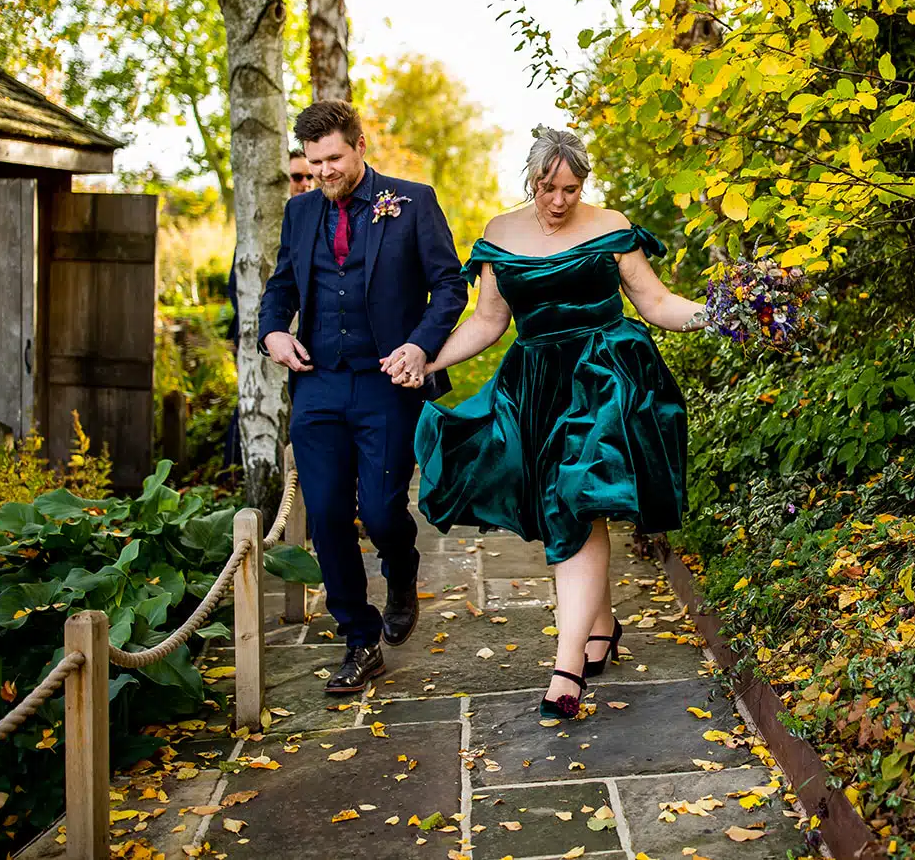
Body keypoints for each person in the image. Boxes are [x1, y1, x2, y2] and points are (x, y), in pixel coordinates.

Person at [398, 126, 709, 719]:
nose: (559, 200)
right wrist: (428, 358)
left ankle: (566, 672)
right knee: (563, 506)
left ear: (583, 183)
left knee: (578, 499)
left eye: (570, 188)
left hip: (605, 375)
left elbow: (657, 303)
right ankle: (602, 625)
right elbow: (488, 322)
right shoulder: (499, 234)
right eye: (548, 188)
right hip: (537, 382)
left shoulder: (611, 226)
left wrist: (722, 311)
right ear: (531, 181)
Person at [258, 100, 467, 694]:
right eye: (313, 160)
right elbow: (280, 289)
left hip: (388, 383)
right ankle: (359, 638)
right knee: (323, 513)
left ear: (360, 146)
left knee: (380, 511)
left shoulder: (412, 201)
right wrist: (273, 331)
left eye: (333, 158)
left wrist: (421, 346)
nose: (323, 170)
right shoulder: (299, 214)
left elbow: (449, 285)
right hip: (319, 383)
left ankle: (401, 572)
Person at [222, 150, 313, 468]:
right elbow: (239, 287)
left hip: (310, 344)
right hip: (267, 340)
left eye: (308, 176)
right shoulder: (260, 231)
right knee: (253, 409)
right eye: (297, 177)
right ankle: (237, 471)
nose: (305, 183)